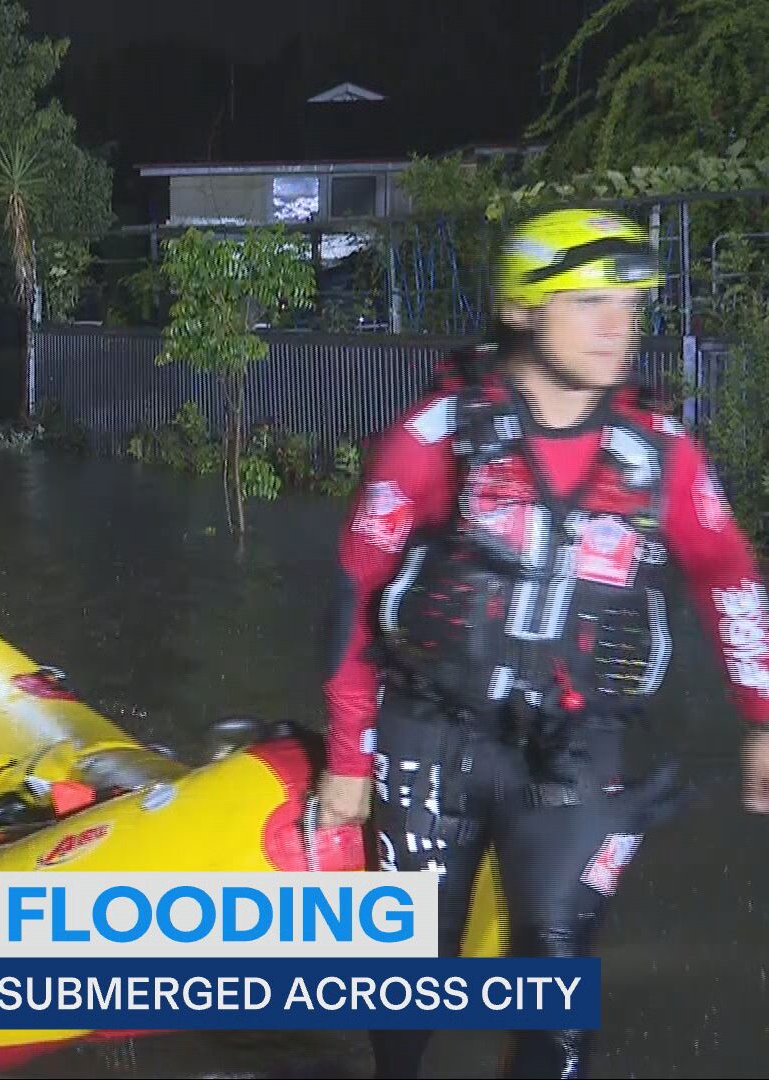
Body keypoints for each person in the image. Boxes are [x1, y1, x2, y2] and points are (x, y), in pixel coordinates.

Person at [316, 208, 769, 1079]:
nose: (616, 327)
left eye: (629, 305)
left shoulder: (663, 456)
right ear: (523, 308)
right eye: (588, 301)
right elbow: (353, 589)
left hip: (575, 754)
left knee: (557, 988)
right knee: (405, 978)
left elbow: (728, 572)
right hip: (430, 738)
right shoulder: (435, 435)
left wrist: (760, 715)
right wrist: (347, 757)